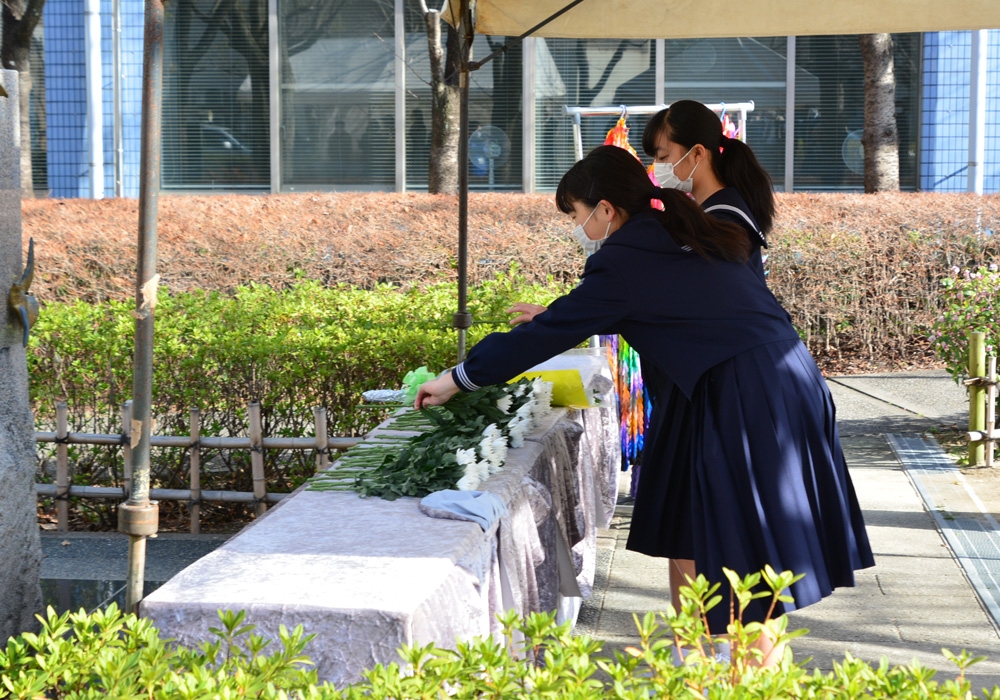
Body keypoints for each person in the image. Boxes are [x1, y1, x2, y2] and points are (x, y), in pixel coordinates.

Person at [416, 145, 874, 664]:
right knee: (690, 524)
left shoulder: (624, 257)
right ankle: (697, 660)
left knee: (744, 557)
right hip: (771, 379)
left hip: (744, 396)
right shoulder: (677, 230)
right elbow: (671, 305)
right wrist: (562, 314)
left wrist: (457, 378)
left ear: (606, 209)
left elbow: (547, 335)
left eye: (575, 214)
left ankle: (755, 674)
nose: (575, 225)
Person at [642, 99, 775, 284]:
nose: (658, 168)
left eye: (663, 157)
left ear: (697, 153)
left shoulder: (723, 219)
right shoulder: (721, 208)